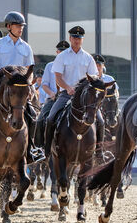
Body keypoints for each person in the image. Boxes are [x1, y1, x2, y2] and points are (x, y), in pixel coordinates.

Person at [0, 11, 44, 163]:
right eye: (17, 26)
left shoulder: (26, 47)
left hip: (19, 88)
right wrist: (1, 79)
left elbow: (29, 71)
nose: (20, 29)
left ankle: (31, 149)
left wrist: (29, 85)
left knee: (33, 115)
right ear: (9, 26)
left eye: (22, 26)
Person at [42, 26, 100, 158]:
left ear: (82, 39)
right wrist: (68, 88)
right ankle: (46, 150)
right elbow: (58, 77)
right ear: (70, 38)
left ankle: (98, 152)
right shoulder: (62, 56)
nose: (76, 40)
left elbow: (94, 78)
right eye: (74, 37)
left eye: (79, 38)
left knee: (100, 121)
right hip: (66, 94)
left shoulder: (88, 58)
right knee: (50, 118)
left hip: (85, 97)